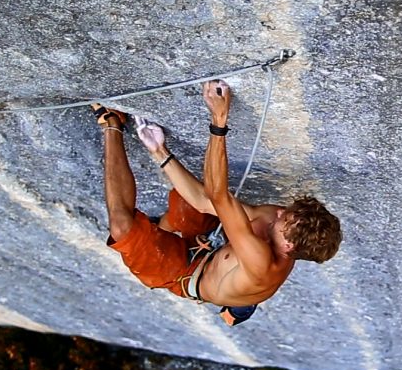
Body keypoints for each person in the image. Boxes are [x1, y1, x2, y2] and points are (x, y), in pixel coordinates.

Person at [92, 79, 341, 325]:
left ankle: (111, 124)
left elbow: (218, 194)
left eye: (283, 219)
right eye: (286, 211)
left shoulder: (262, 263)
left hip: (187, 274)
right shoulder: (278, 221)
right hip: (217, 245)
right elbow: (205, 202)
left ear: (287, 245)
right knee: (186, 201)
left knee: (122, 228)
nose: (278, 213)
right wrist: (160, 152)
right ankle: (166, 228)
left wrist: (219, 119)